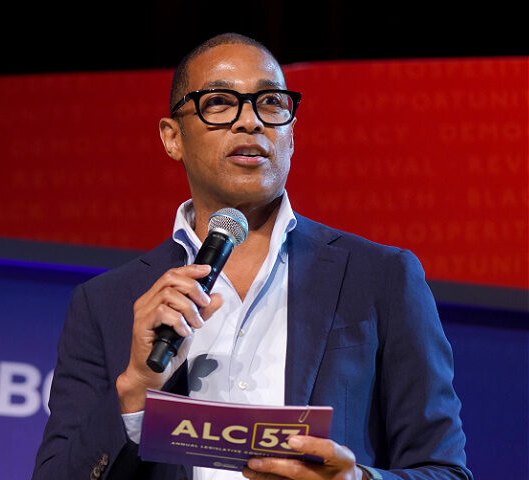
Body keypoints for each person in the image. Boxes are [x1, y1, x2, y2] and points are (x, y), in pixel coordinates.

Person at [32, 33, 472, 480]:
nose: (251, 121)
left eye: (271, 103)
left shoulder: (380, 277)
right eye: (220, 102)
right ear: (172, 138)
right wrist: (134, 389)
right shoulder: (106, 303)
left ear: (291, 133)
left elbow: (444, 471)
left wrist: (356, 479)